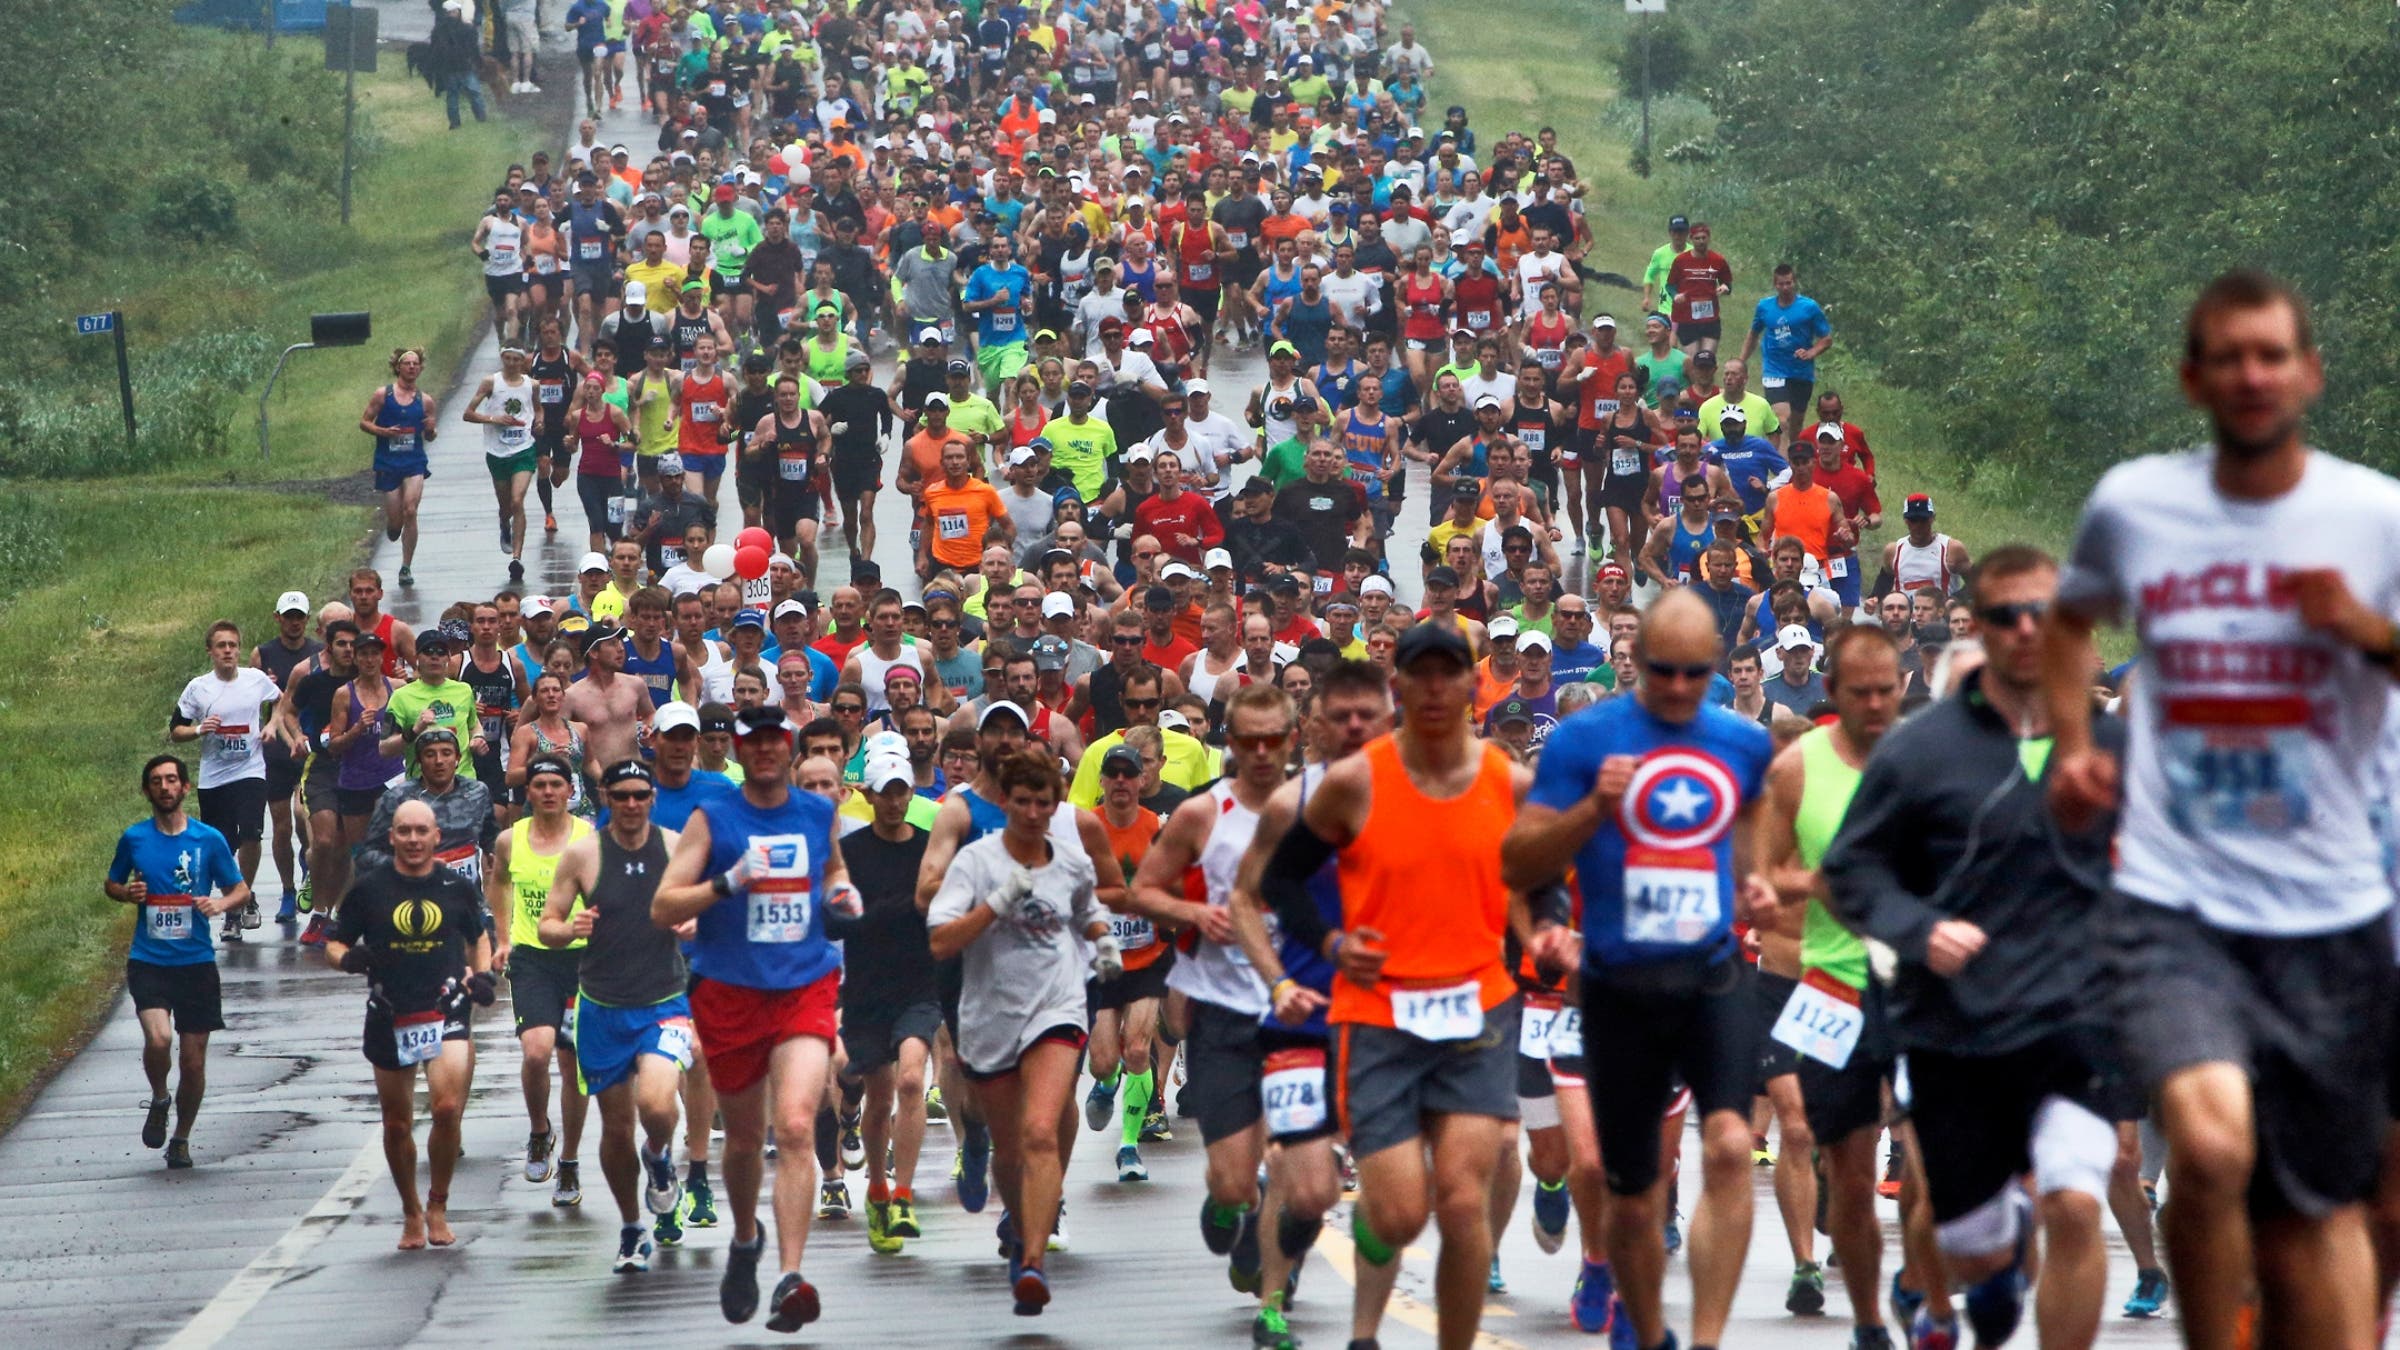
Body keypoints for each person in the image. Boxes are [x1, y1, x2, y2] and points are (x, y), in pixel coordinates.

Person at [2043, 272, 2400, 1350]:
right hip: (2174, 902)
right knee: (2204, 1150)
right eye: (2230, 356)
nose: (2252, 374)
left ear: (2309, 373)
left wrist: (2360, 630)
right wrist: (2071, 745)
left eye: (2272, 354)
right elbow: (2069, 622)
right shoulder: (2137, 505)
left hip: (2330, 910)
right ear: (2194, 376)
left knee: (2309, 1220)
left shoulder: (2373, 516)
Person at [1828, 549, 2130, 1350]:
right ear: (1976, 626)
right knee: (1973, 1251)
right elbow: (1853, 869)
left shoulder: (2115, 746)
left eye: (2044, 612)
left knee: (2076, 1204)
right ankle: (1986, 1270)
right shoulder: (1920, 749)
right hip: (1956, 1027)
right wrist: (1920, 930)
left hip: (2078, 1018)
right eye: (2004, 615)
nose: (2026, 629)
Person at [1502, 589, 1775, 1350]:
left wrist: (1756, 885)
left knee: (1727, 1147)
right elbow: (1519, 861)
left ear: (1715, 665)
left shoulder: (1743, 743)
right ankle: (1647, 1327)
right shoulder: (1584, 743)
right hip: (1616, 988)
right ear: (1635, 663)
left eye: (1695, 673)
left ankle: (1708, 1337)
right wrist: (1593, 809)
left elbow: (1752, 847)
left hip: (1713, 975)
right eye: (1663, 671)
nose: (1680, 688)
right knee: (1628, 1194)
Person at [1258, 626, 1528, 1350]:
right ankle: (1359, 1245)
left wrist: (1555, 929)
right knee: (1403, 1213)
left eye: (1450, 674)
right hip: (1375, 1018)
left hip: (1478, 1009)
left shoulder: (1508, 780)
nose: (1436, 688)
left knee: (1464, 1200)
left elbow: (1545, 875)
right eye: (1421, 675)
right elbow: (1279, 878)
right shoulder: (1354, 782)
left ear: (1471, 686)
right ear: (1399, 689)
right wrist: (1331, 942)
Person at [652, 705, 863, 1333]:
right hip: (729, 990)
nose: (766, 751)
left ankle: (791, 1277)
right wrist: (728, 883)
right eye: (754, 742)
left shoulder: (816, 811)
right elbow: (665, 905)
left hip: (804, 983)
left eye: (777, 741)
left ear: (789, 749)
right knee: (744, 1141)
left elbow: (833, 870)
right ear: (739, 750)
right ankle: (746, 1241)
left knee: (796, 1124)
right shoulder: (712, 816)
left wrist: (841, 893)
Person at [1226, 662, 1399, 1350]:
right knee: (1311, 1195)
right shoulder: (1292, 805)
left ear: (1391, 720)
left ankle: (1365, 1335)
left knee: (1391, 1191)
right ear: (1316, 727)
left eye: (1369, 716)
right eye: (1340, 718)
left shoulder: (1416, 798)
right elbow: (1244, 899)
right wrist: (1275, 982)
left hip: (1389, 1025)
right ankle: (1273, 1293)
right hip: (1302, 1019)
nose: (1355, 730)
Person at [1752, 624, 1906, 1347]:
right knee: (1836, 1158)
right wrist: (1817, 883)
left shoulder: (1930, 761)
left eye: (1887, 690)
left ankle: (1929, 1290)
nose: (1875, 704)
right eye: (1860, 693)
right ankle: (1861, 1311)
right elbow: (1765, 874)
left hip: (1917, 989)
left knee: (1925, 1159)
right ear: (1834, 693)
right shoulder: (1797, 770)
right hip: (1823, 985)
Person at [928, 747, 1118, 1314]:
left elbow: (1087, 906)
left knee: (1041, 1130)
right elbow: (940, 940)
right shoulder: (977, 862)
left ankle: (1033, 1260)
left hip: (1056, 1006)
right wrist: (995, 904)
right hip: (989, 1015)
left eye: (1044, 802)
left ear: (1057, 804)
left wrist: (1103, 940)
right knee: (1010, 1152)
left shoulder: (1071, 861)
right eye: (1023, 802)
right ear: (1005, 802)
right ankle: (1018, 1224)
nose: (1034, 813)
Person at [540, 758, 694, 1274]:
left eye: (639, 795)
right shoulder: (583, 854)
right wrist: (573, 926)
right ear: (605, 797)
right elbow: (547, 927)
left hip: (664, 1002)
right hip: (602, 1006)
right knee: (614, 1125)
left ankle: (659, 1154)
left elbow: (706, 908)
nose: (631, 804)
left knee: (656, 1106)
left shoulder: (675, 848)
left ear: (652, 798)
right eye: (621, 795)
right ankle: (631, 1229)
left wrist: (695, 920)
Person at [326, 799, 496, 1251]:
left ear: (437, 836)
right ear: (392, 837)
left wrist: (482, 975)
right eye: (405, 831)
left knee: (445, 1109)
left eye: (423, 831)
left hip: (446, 1007)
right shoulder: (369, 889)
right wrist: (349, 959)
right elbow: (335, 945)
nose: (415, 839)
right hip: (391, 1010)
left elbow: (478, 939)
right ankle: (411, 1212)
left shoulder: (455, 887)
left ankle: (438, 1205)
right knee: (397, 1124)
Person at [108, 754, 250, 1169]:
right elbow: (113, 882)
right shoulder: (134, 839)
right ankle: (158, 1097)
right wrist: (125, 894)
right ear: (147, 790)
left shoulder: (208, 839)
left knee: (192, 1061)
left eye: (172, 780)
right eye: (157, 781)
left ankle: (182, 1138)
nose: (166, 787)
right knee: (159, 1040)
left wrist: (220, 903)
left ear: (185, 788)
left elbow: (239, 888)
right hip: (149, 959)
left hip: (196, 963)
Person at [830, 759, 937, 1255]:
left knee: (913, 1078)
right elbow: (840, 923)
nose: (894, 802)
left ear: (911, 792)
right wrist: (901, 909)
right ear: (868, 796)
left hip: (919, 984)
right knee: (878, 1098)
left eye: (901, 793)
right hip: (867, 990)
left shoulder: (927, 847)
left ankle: (903, 1194)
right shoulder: (849, 852)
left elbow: (940, 906)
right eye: (884, 793)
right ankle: (875, 1187)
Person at [487, 753, 596, 1209]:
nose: (548, 792)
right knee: (536, 1051)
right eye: (539, 785)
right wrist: (502, 935)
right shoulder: (511, 840)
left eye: (556, 784)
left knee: (573, 1063)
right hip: (532, 955)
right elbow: (498, 884)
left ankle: (569, 1160)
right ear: (527, 792)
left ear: (570, 791)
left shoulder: (589, 837)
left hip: (582, 960)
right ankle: (539, 1130)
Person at [1078, 744, 1170, 1183]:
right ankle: (1106, 1082)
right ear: (1101, 781)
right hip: (1100, 960)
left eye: (1127, 773)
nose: (1119, 781)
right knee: (1102, 1060)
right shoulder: (1086, 829)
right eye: (1111, 773)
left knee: (1137, 1049)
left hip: (1147, 957)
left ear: (1141, 780)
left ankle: (1129, 1146)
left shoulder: (1157, 828)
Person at [170, 620, 282, 939]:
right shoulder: (198, 688)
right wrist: (198, 730)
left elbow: (280, 699)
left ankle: (239, 902)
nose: (228, 651)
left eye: (233, 645)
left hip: (250, 770)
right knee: (220, 844)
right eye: (222, 646)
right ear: (210, 652)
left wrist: (272, 725)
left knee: (251, 832)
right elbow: (175, 730)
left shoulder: (255, 680)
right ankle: (236, 899)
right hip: (214, 777)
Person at [362, 348, 437, 587]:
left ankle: (406, 567)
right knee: (395, 523)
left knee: (411, 510)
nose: (412, 368)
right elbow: (364, 422)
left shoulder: (425, 401)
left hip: (414, 461)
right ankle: (393, 528)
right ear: (398, 367)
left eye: (416, 364)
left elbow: (431, 435)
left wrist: (431, 429)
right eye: (407, 364)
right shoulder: (383, 395)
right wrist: (383, 432)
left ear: (421, 368)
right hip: (388, 462)